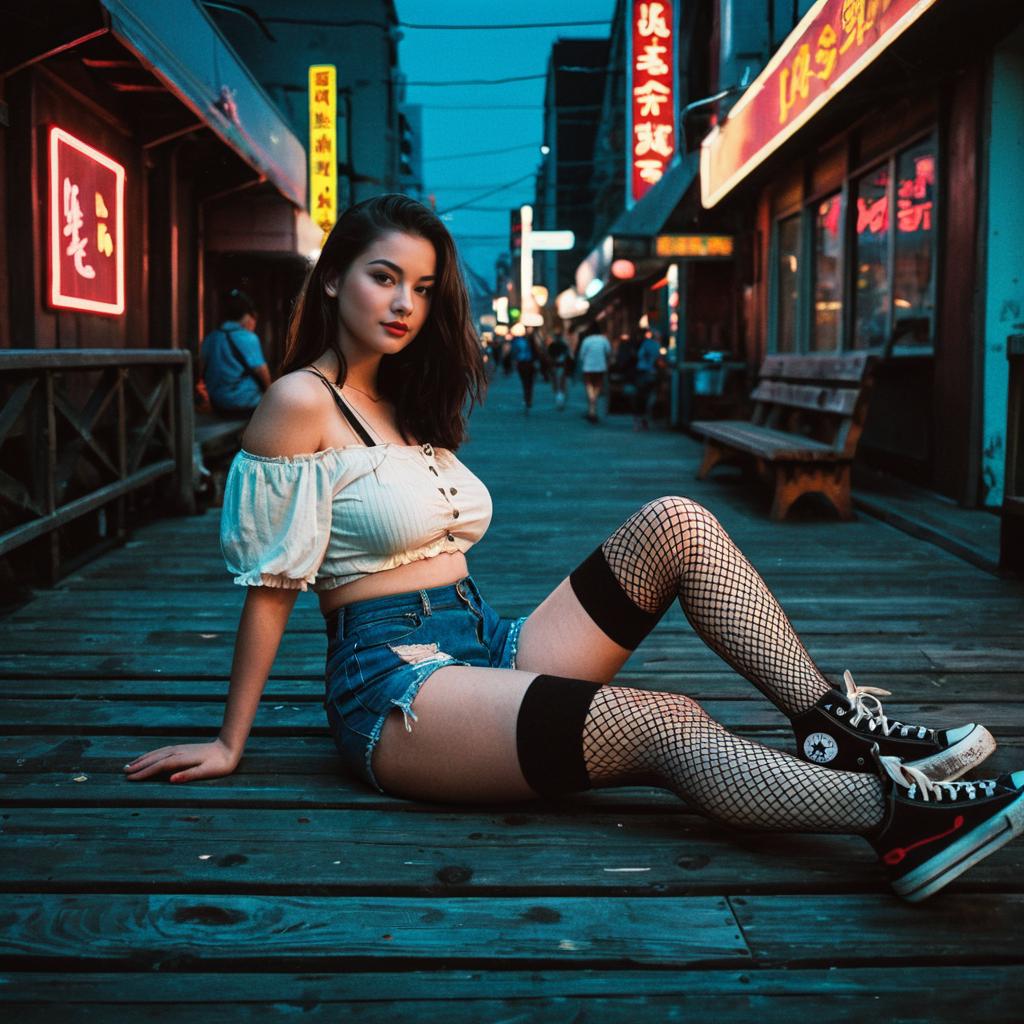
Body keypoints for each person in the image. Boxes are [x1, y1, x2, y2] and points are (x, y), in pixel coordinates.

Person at [123, 195, 1024, 904]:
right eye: (382, 277)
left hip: (486, 645)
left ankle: (836, 730)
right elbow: (273, 587)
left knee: (678, 517)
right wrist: (230, 740)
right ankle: (895, 816)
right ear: (332, 282)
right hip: (393, 688)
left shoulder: (406, 401)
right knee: (664, 721)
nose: (404, 303)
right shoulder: (297, 402)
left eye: (424, 287)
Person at [199, 289, 271, 417]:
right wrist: (270, 394)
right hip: (245, 404)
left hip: (218, 404)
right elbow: (262, 371)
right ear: (248, 316)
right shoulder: (249, 338)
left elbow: (201, 369)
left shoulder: (210, 338)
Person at [576, 326, 612, 423]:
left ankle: (592, 408)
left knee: (589, 386)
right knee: (597, 386)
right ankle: (593, 406)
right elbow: (608, 352)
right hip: (600, 367)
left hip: (588, 367)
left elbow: (581, 355)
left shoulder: (586, 340)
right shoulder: (604, 340)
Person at [633, 330, 664, 430]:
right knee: (649, 397)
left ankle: (639, 420)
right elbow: (658, 360)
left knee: (641, 396)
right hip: (650, 373)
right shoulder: (656, 346)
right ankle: (644, 419)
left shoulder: (645, 344)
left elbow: (639, 355)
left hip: (641, 372)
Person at [512, 329, 540, 413]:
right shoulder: (532, 341)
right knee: (529, 383)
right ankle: (528, 399)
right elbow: (537, 352)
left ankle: (527, 398)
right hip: (529, 363)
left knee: (525, 382)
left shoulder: (518, 341)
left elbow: (514, 352)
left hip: (522, 364)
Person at [546, 330, 572, 410]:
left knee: (556, 383)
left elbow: (549, 357)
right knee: (561, 383)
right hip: (562, 366)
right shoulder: (564, 345)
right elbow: (568, 356)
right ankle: (561, 399)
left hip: (555, 366)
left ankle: (558, 398)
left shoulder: (552, 345)